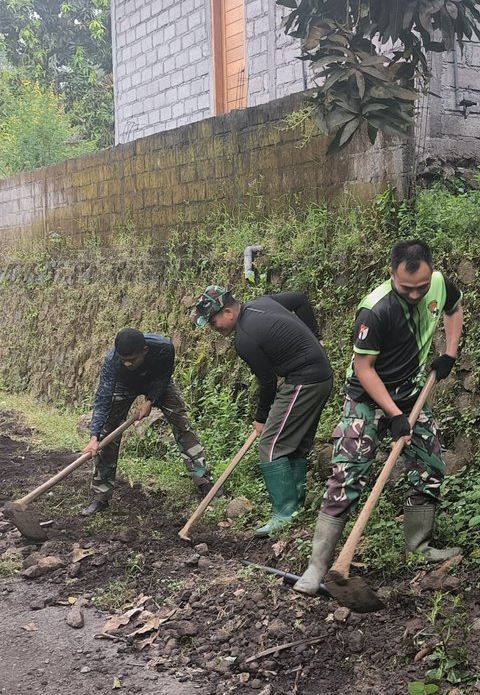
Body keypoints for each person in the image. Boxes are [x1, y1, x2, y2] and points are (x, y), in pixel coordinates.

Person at [293, 240, 465, 595]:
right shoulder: (375, 310)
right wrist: (395, 415)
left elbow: (454, 308)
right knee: (347, 474)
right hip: (366, 399)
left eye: (421, 287)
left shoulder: (439, 284)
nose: (415, 294)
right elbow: (364, 369)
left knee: (430, 464)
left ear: (431, 273)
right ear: (391, 275)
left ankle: (418, 546)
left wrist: (449, 353)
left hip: (410, 393)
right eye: (406, 288)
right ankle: (317, 567)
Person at [195, 284, 334, 536]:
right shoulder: (262, 303)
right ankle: (296, 505)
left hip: (304, 380)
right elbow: (300, 299)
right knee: (296, 444)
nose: (215, 329)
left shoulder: (244, 338)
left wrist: (261, 419)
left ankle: (284, 514)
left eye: (214, 322)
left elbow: (268, 381)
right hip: (320, 375)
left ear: (228, 312)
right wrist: (317, 338)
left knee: (270, 446)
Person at [80, 328, 211, 516]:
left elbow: (164, 377)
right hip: (124, 385)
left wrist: (150, 400)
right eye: (124, 360)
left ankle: (203, 480)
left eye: (132, 360)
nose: (127, 364)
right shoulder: (113, 361)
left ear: (145, 350)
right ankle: (101, 496)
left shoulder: (164, 348)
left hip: (156, 382)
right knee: (107, 434)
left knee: (182, 424)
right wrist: (94, 437)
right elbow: (103, 398)